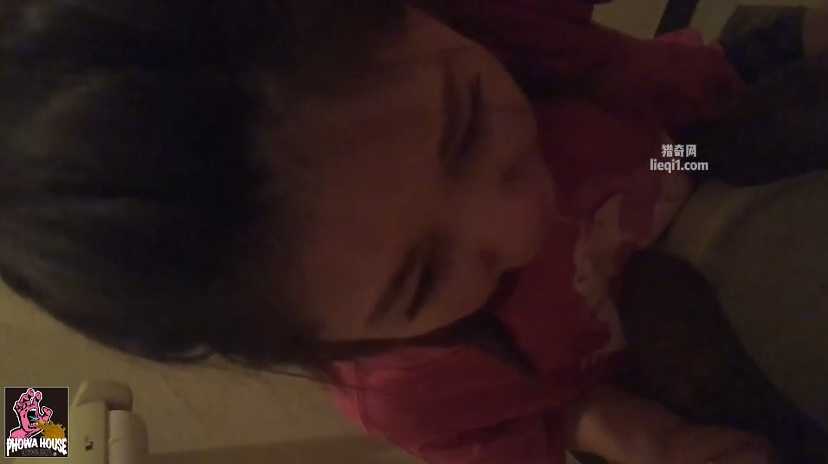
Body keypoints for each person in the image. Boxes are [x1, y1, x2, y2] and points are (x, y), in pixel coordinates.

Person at [1, 0, 819, 462]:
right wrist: (656, 439)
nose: (522, 227)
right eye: (421, 279)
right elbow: (551, 412)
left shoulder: (501, 22)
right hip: (669, 335)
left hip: (685, 140)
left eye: (466, 127)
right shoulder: (419, 392)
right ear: (315, 344)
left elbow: (674, 95)